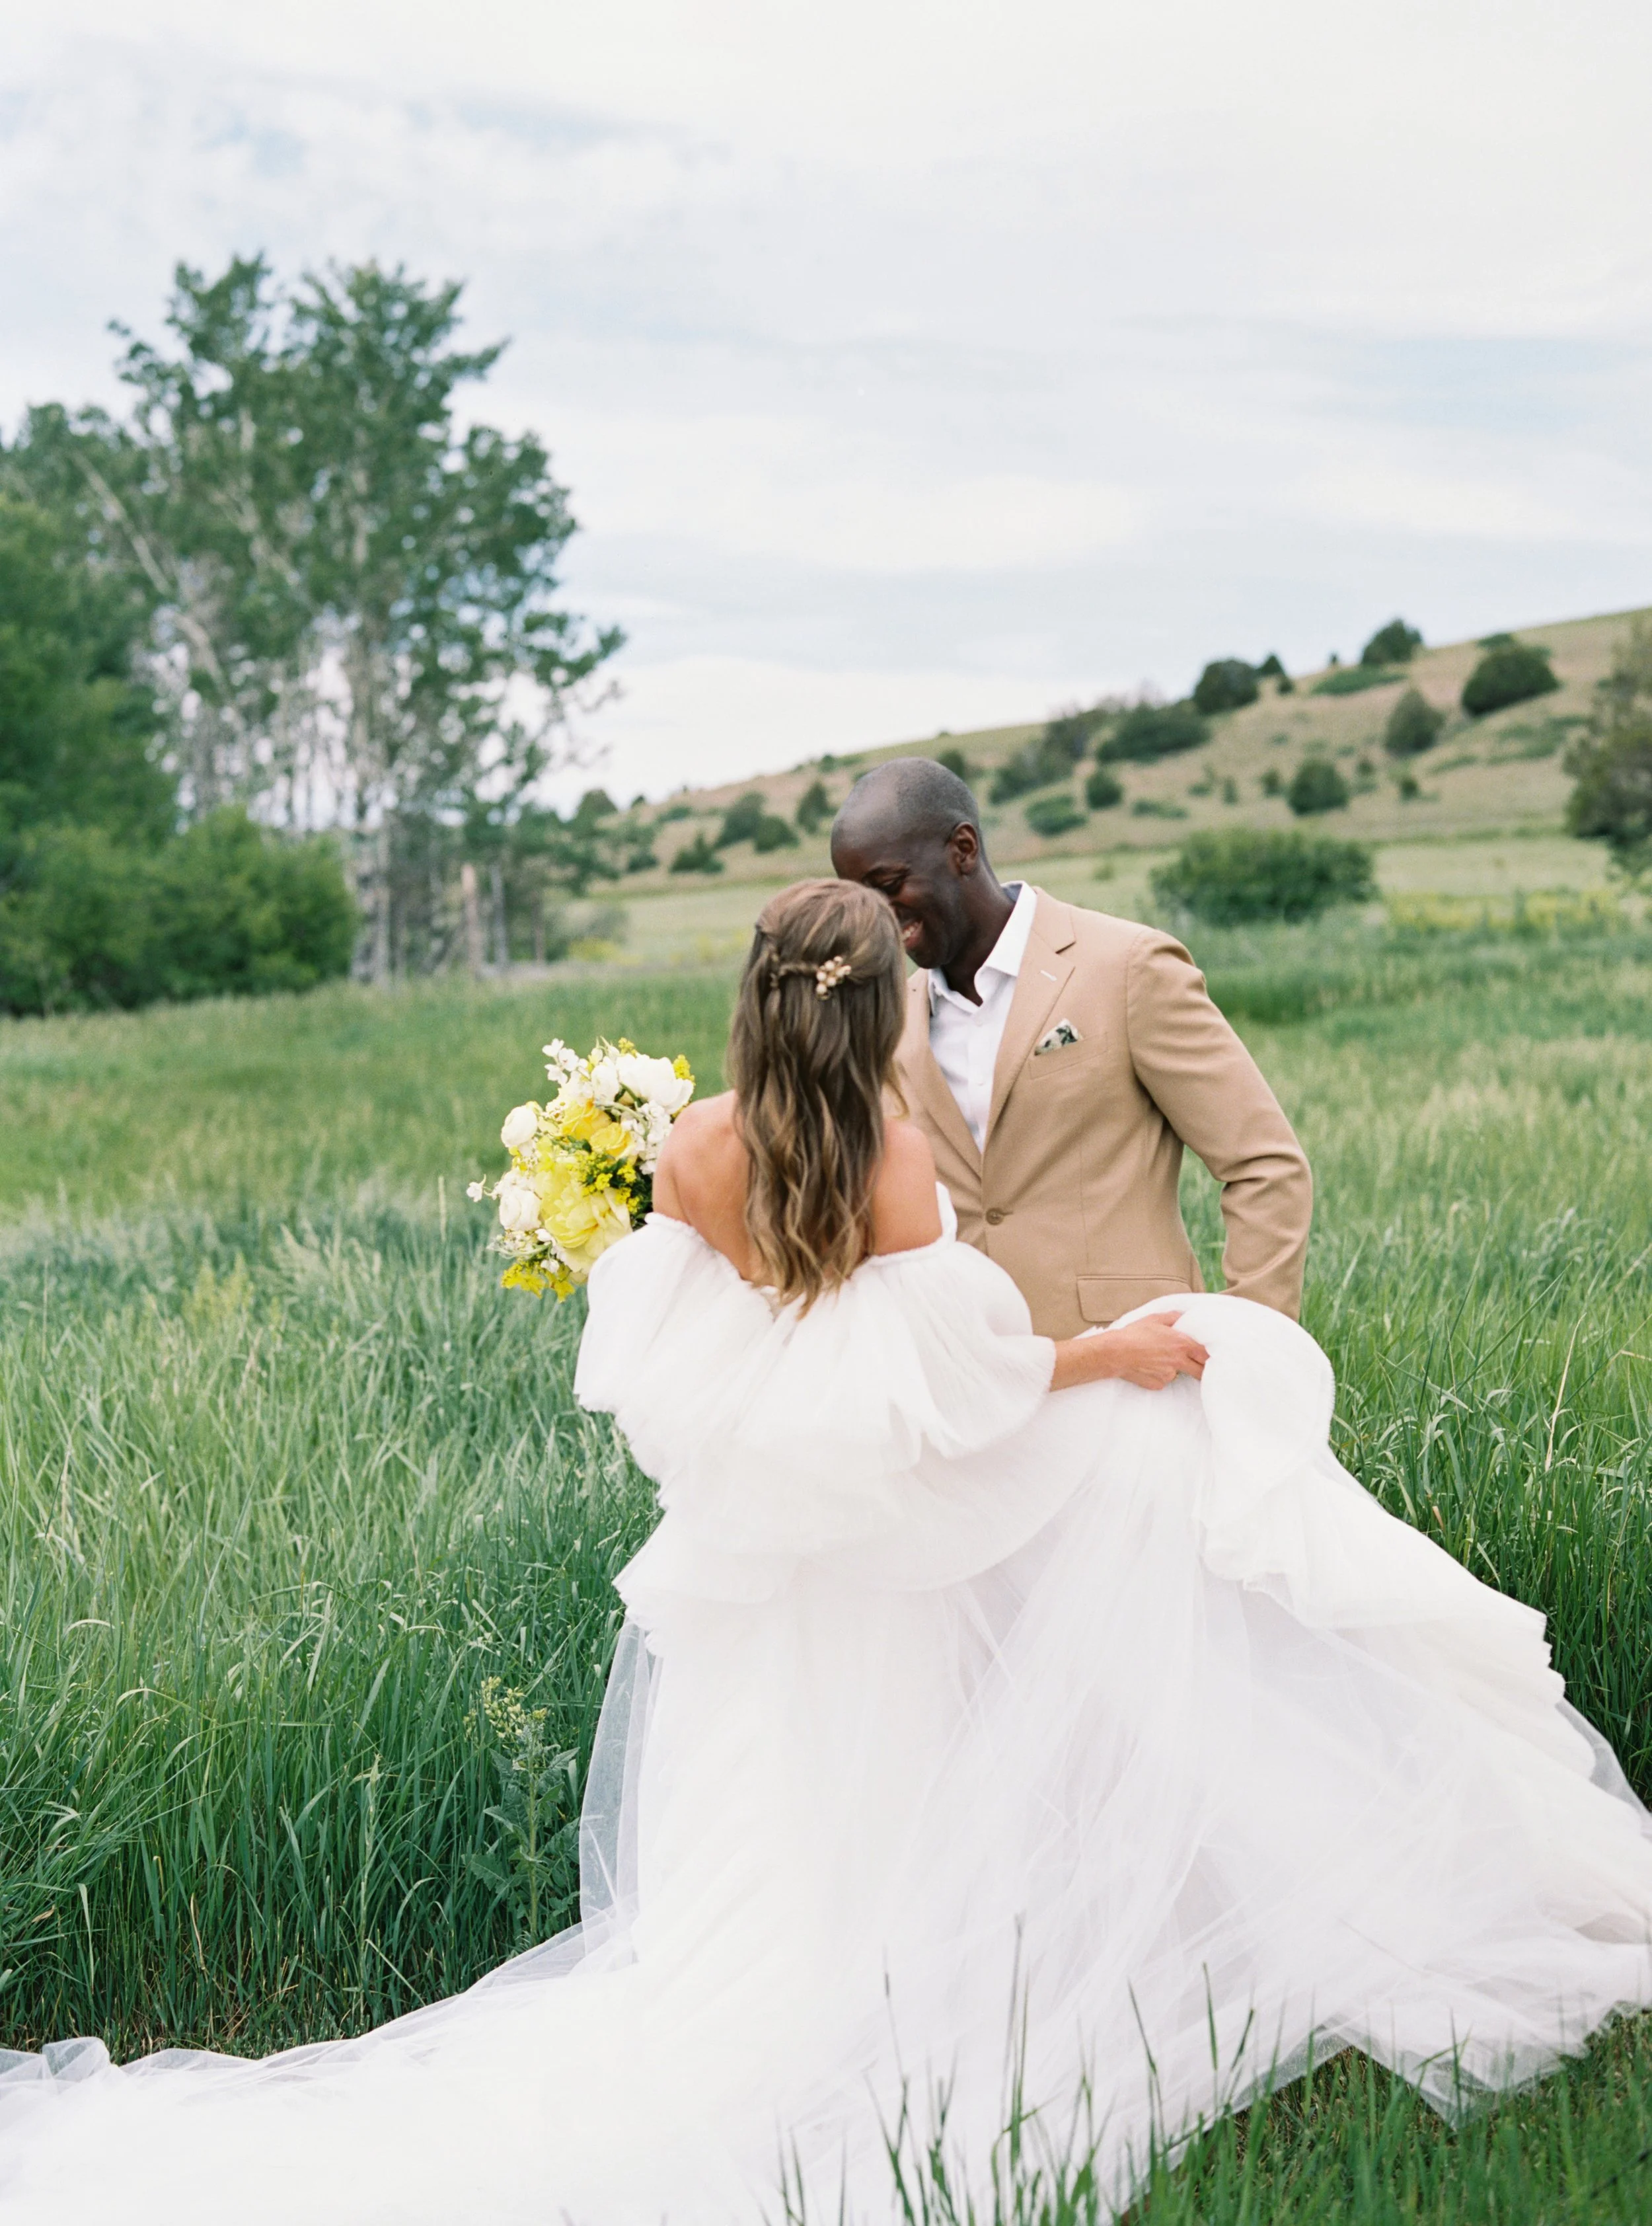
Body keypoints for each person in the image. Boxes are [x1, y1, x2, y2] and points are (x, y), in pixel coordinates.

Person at [4, 878, 1651, 2226]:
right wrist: (1116, 1357)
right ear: (876, 1014)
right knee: (920, 1805)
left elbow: (697, 1375)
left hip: (754, 1586)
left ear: (749, 1000)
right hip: (875, 1578)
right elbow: (954, 1403)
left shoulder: (689, 1151)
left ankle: (749, 2032)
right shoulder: (894, 1163)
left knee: (765, 1867)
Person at [831, 756, 1313, 1337]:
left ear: (962, 849)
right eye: (856, 900)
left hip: (1133, 1367)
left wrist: (1253, 1345)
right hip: (970, 1375)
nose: (874, 917)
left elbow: (1265, 1165)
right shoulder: (888, 1020)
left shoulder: (1129, 967)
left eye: (887, 886)